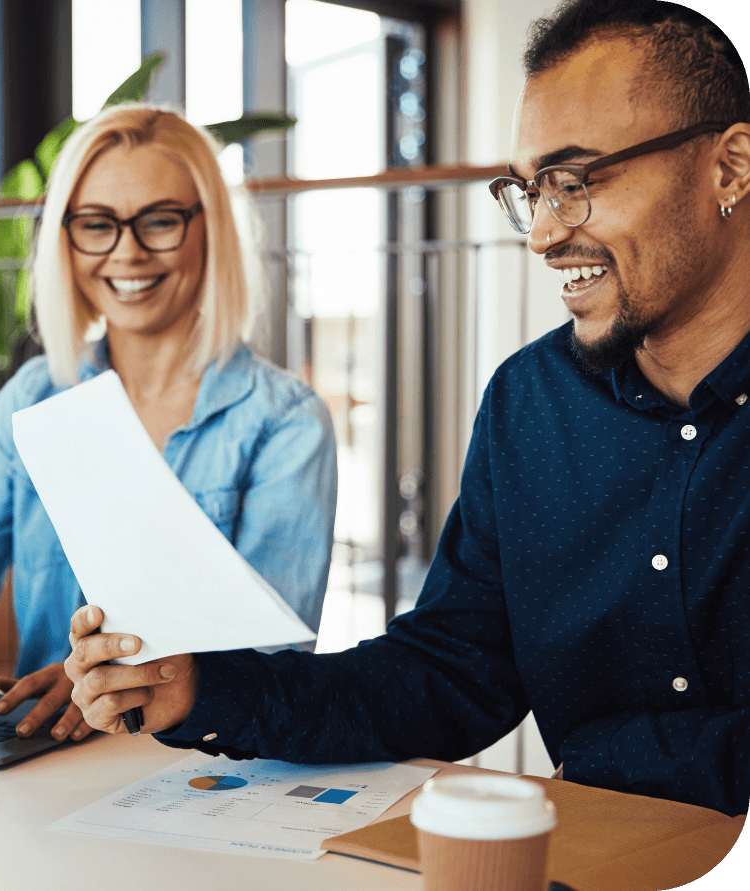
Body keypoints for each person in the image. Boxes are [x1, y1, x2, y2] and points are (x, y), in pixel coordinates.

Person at [65, 0, 750, 818]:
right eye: (531, 189)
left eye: (576, 182)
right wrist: (205, 688)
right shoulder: (528, 405)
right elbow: (449, 674)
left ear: (731, 167)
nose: (540, 234)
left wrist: (647, 773)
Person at [0, 105, 337, 745]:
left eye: (159, 221)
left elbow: (272, 661)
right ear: (67, 237)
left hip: (200, 769)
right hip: (46, 754)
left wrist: (116, 682)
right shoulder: (32, 400)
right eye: (97, 224)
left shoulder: (284, 424)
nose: (127, 251)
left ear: (210, 229)